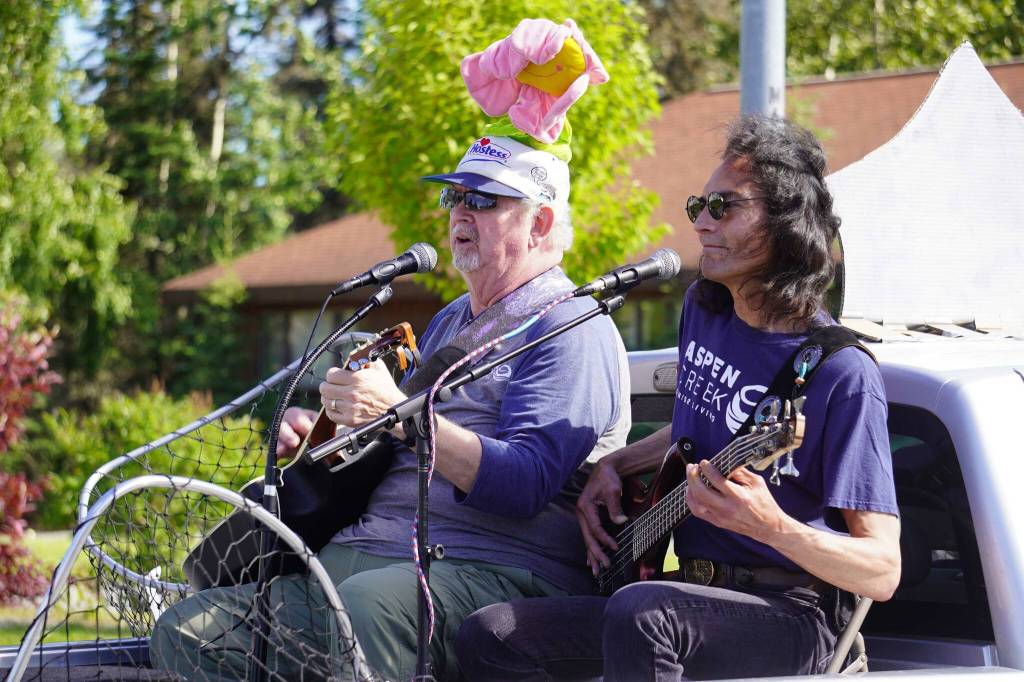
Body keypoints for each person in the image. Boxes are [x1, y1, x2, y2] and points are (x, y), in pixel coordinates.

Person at [149, 125, 631, 681]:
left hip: (488, 574)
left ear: (540, 223)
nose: (458, 214)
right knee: (187, 631)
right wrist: (329, 433)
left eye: (482, 200)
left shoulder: (569, 328)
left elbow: (525, 483)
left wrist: (397, 415)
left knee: (369, 608)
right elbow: (394, 442)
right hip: (358, 566)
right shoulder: (452, 318)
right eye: (454, 196)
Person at [455, 114, 902, 681]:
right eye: (699, 207)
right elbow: (703, 427)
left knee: (644, 615)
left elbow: (883, 569)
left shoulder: (841, 373)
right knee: (494, 635)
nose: (700, 224)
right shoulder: (705, 309)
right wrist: (617, 464)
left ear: (787, 224)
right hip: (687, 595)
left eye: (724, 207)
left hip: (795, 615)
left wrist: (773, 527)